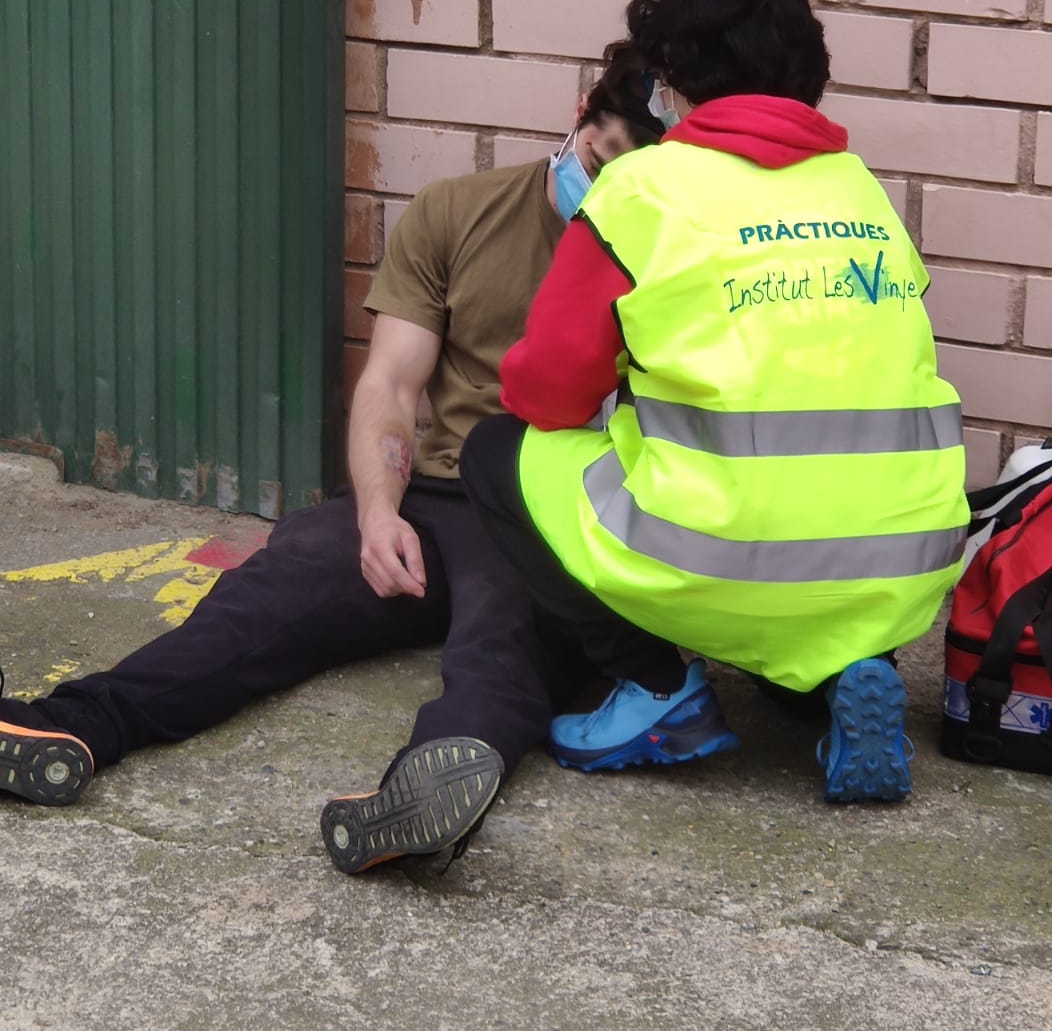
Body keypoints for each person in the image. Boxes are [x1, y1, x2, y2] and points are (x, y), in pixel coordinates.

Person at [0, 48, 662, 870]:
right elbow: (390, 382)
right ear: (577, 116)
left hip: (560, 511)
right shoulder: (460, 211)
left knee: (506, 646)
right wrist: (379, 515)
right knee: (273, 593)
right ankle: (74, 726)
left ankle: (422, 801)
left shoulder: (684, 250)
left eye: (634, 174)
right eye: (600, 160)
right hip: (441, 493)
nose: (605, 187)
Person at [460, 0, 970, 804]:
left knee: (494, 452)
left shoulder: (644, 192)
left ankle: (657, 689)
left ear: (675, 80)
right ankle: (846, 668)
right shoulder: (861, 193)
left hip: (721, 553)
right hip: (901, 564)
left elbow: (546, 392)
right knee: (820, 531)